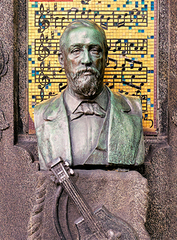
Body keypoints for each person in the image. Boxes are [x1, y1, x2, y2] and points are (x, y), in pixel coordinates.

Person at [33, 19, 145, 170]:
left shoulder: (133, 110)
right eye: (76, 51)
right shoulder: (43, 114)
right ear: (62, 60)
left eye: (94, 50)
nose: (86, 60)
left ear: (105, 58)